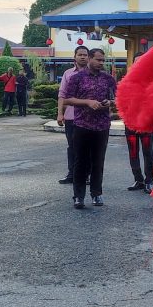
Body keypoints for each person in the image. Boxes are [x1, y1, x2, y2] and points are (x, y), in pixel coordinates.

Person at [62, 48, 117, 208]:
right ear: (90, 59)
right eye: (98, 60)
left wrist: (110, 102)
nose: (101, 63)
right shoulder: (76, 78)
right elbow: (67, 100)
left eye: (102, 60)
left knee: (98, 161)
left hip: (102, 126)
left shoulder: (108, 79)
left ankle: (96, 194)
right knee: (81, 162)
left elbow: (117, 97)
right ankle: (78, 196)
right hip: (81, 125)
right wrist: (87, 102)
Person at [55, 46, 90, 185]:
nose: (82, 57)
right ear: (74, 57)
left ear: (88, 57)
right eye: (80, 54)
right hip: (71, 117)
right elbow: (62, 95)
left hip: (88, 118)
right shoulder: (67, 74)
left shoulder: (93, 73)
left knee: (86, 147)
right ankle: (72, 173)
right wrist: (59, 114)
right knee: (72, 147)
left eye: (85, 55)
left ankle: (86, 174)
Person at [125, 129, 153, 193]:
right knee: (133, 153)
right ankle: (138, 180)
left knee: (148, 152)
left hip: (146, 124)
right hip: (130, 124)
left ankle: (149, 181)